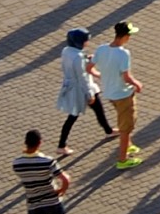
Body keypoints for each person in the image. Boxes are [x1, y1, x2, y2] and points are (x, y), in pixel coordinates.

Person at [55, 29, 113, 154]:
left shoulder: (66, 51)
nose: (87, 42)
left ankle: (108, 130)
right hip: (80, 90)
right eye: (85, 40)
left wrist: (86, 58)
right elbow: (82, 78)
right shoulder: (78, 57)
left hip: (70, 86)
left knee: (96, 110)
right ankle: (61, 145)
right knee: (74, 116)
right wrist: (89, 94)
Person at [95, 21, 145, 168]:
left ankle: (129, 146)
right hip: (123, 94)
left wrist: (102, 76)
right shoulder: (123, 54)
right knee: (126, 128)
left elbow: (89, 66)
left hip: (109, 93)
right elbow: (126, 77)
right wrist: (137, 83)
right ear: (125, 36)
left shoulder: (101, 49)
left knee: (122, 119)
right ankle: (122, 160)